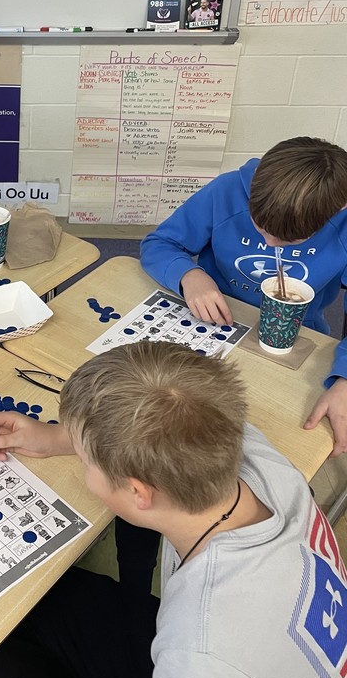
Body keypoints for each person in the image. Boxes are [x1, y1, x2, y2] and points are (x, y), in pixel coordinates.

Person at [0, 340, 347, 678]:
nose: (84, 465)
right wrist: (59, 437)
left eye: (87, 461)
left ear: (139, 492)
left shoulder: (204, 661)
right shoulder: (245, 450)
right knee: (23, 612)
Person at [140, 136, 347, 454]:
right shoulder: (226, 191)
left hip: (297, 341)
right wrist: (189, 275)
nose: (273, 244)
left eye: (291, 241)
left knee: (279, 439)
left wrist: (345, 380)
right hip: (213, 324)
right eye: (260, 227)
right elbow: (159, 244)